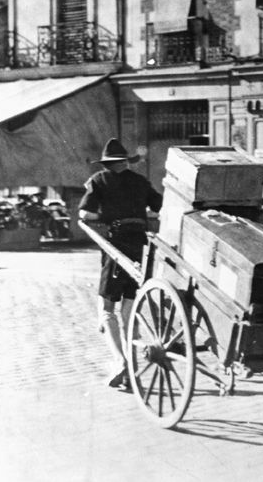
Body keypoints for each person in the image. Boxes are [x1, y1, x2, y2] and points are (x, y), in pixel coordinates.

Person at [78, 138, 162, 389]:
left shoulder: (98, 180)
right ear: (126, 161)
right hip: (140, 247)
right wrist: (138, 212)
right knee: (129, 309)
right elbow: (158, 208)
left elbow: (84, 213)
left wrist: (106, 215)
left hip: (116, 246)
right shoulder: (140, 181)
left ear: (106, 164)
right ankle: (130, 370)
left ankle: (120, 362)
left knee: (106, 308)